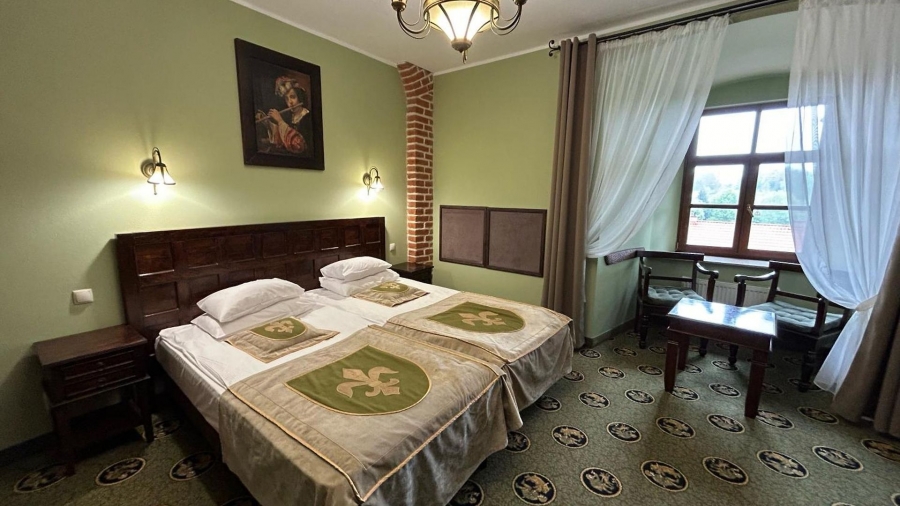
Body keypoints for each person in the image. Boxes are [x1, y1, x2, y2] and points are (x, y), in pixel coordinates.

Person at [256, 75, 313, 155]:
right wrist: (267, 123)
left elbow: (298, 145)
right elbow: (281, 139)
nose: (290, 102)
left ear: (299, 97)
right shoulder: (289, 117)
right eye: (287, 99)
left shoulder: (307, 117)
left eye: (293, 97)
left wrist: (280, 120)